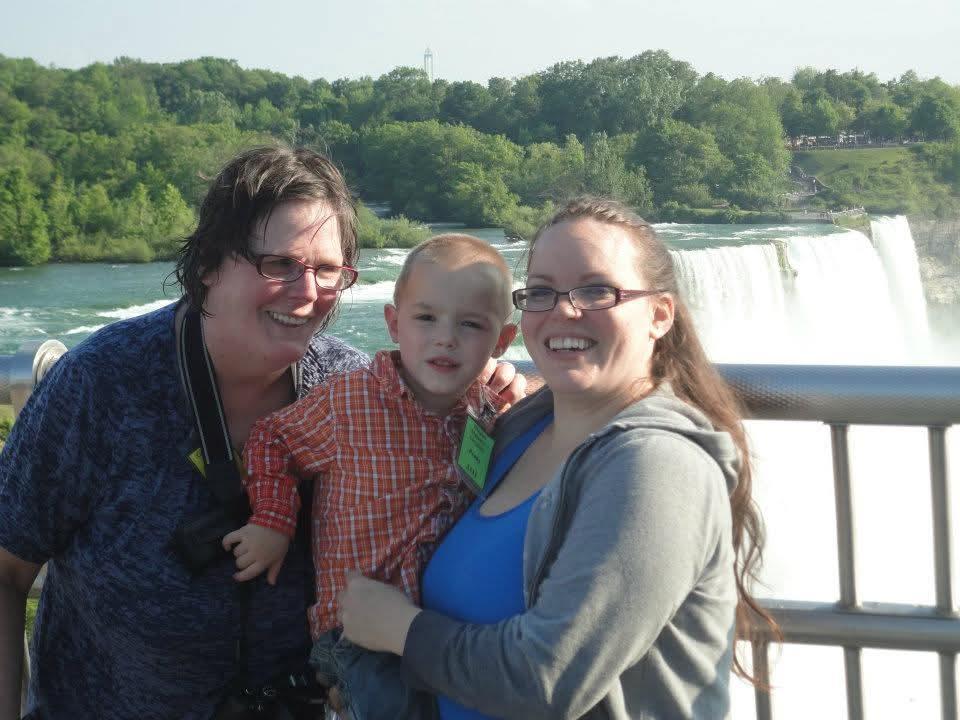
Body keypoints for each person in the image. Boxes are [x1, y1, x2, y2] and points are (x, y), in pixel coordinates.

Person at [0, 146, 523, 720]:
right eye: (279, 264)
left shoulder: (349, 387)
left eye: (327, 271)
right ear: (209, 264)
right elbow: (6, 570)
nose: (307, 293)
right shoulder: (104, 386)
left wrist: (492, 394)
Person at [337, 197, 777, 719]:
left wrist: (396, 629)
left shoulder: (656, 466)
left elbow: (547, 678)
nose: (563, 311)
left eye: (596, 290)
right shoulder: (519, 427)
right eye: (542, 292)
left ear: (659, 314)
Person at [223, 234, 517, 719]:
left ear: (501, 341)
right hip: (357, 634)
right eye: (426, 318)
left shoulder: (486, 412)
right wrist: (273, 521)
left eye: (471, 324)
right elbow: (271, 439)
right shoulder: (350, 403)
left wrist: (522, 387)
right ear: (394, 323)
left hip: (434, 628)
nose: (446, 337)